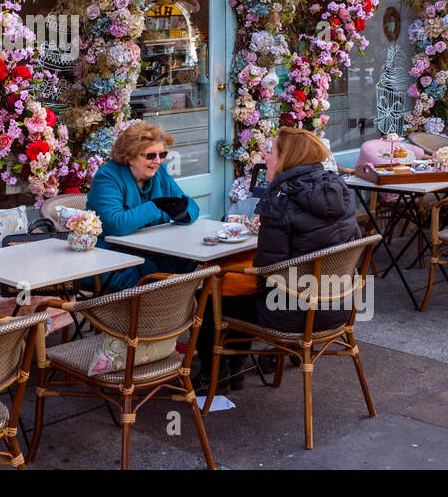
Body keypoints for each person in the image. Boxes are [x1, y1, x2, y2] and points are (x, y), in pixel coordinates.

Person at [196, 127, 360, 390]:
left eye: (271, 151)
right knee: (241, 289)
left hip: (295, 315)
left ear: (287, 158)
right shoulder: (338, 190)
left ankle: (215, 375)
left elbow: (267, 270)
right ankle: (236, 370)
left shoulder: (282, 197)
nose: (266, 156)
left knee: (215, 292)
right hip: (339, 306)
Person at [87, 121, 199, 290]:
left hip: (149, 249)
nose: (158, 161)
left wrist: (182, 214)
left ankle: (182, 313)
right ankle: (152, 315)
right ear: (130, 157)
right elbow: (117, 224)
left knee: (188, 262)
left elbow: (190, 204)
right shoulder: (108, 177)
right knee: (148, 275)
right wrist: (155, 205)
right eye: (150, 156)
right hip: (108, 255)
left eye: (162, 154)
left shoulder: (159, 173)